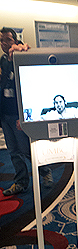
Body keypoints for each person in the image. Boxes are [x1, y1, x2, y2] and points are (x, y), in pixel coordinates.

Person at [0, 27, 53, 196]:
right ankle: (21, 182)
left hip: (19, 115)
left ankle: (45, 171)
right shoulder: (3, 60)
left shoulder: (23, 57)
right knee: (13, 151)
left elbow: (30, 86)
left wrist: (23, 115)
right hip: (5, 114)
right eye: (1, 40)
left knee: (26, 150)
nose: (4, 43)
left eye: (8, 40)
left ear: (15, 40)